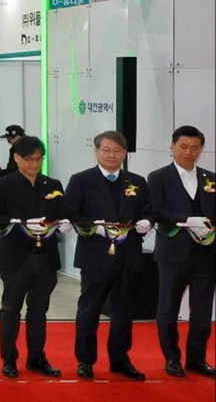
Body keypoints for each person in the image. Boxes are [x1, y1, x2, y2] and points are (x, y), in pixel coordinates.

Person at [66, 130, 152, 380]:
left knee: (124, 311)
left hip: (128, 255)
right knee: (89, 309)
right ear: (96, 151)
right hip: (95, 255)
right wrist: (95, 227)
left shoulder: (137, 181)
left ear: (124, 153)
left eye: (117, 150)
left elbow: (148, 210)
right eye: (106, 150)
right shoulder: (81, 180)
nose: (112, 155)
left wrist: (147, 221)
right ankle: (85, 360)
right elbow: (70, 213)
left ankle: (120, 360)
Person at [0, 135, 69, 379]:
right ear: (17, 158)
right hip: (16, 258)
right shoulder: (4, 184)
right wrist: (19, 223)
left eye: (39, 159)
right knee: (11, 308)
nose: (34, 164)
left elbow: (62, 213)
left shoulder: (52, 184)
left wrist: (64, 222)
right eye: (29, 159)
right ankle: (8, 358)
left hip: (45, 257)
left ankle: (36, 357)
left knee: (39, 310)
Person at [149, 125, 216, 379]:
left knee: (202, 310)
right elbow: (156, 211)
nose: (189, 152)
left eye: (195, 148)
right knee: (168, 308)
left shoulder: (211, 178)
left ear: (201, 149)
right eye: (183, 146)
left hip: (206, 254)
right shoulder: (158, 177)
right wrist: (187, 220)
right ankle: (172, 358)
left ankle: (197, 358)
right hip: (173, 253)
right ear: (172, 146)